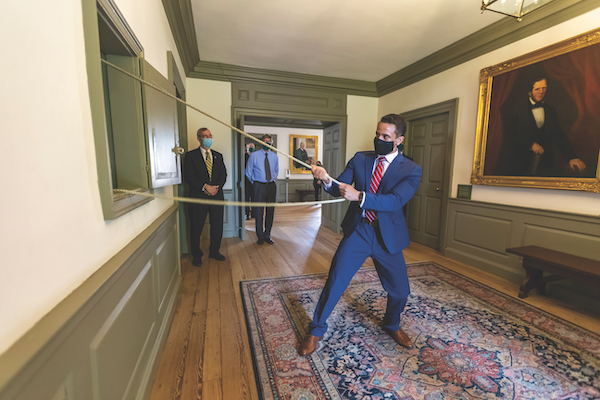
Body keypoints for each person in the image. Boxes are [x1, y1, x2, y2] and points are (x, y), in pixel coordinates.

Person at [299, 114, 421, 356]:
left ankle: (392, 325)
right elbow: (340, 186)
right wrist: (325, 179)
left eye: (386, 136)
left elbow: (395, 200)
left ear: (399, 140)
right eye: (378, 134)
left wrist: (361, 197)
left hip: (387, 236)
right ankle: (316, 330)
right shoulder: (361, 158)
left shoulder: (411, 169)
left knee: (400, 291)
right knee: (335, 281)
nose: (379, 139)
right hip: (360, 230)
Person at [499, 77, 586, 176]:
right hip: (521, 162)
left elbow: (559, 135)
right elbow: (510, 134)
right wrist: (531, 144)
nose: (541, 92)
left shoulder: (550, 110)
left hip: (546, 162)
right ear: (529, 92)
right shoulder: (518, 110)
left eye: (544, 88)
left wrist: (572, 157)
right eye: (537, 89)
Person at [183, 128, 227, 266]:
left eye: (209, 136)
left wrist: (215, 188)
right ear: (198, 138)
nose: (208, 138)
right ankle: (197, 255)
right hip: (198, 198)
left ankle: (214, 251)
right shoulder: (190, 156)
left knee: (217, 226)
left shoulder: (218, 156)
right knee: (196, 227)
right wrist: (204, 187)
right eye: (204, 136)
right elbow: (189, 177)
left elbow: (223, 175)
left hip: (216, 196)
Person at [245, 134, 279, 245]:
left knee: (270, 211)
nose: (267, 143)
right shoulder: (254, 156)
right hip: (258, 186)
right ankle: (260, 236)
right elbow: (248, 172)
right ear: (261, 142)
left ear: (271, 143)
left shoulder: (274, 156)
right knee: (258, 212)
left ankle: (267, 235)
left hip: (271, 186)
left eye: (269, 141)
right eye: (265, 141)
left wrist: (271, 180)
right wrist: (256, 183)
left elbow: (276, 171)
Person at [244, 142, 255, 220]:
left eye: (252, 146)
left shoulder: (256, 156)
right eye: (250, 146)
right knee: (247, 198)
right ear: (246, 148)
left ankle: (254, 214)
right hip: (246, 181)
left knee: (255, 198)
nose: (251, 148)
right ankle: (246, 214)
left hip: (256, 181)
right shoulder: (244, 156)